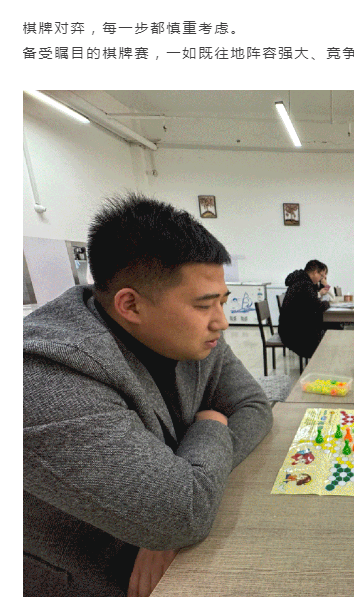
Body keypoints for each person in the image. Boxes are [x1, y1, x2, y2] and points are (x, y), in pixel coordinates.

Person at [23, 194, 273, 596]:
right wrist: (211, 424)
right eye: (204, 305)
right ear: (131, 305)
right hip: (89, 581)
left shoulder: (190, 335)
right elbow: (180, 515)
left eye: (222, 302)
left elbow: (253, 406)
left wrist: (186, 487)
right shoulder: (43, 374)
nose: (222, 321)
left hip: (175, 556)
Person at [279, 259, 331, 358]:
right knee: (326, 332)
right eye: (321, 276)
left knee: (326, 327)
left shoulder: (301, 281)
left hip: (289, 327)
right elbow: (318, 306)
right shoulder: (305, 285)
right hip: (293, 332)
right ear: (315, 272)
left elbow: (313, 303)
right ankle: (319, 361)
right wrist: (327, 303)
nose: (321, 279)